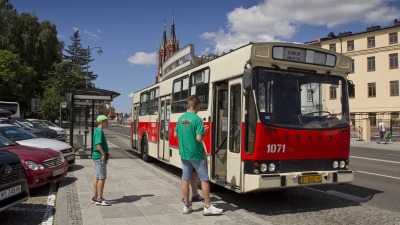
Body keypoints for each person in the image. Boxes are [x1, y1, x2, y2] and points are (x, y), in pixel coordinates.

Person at [174, 95, 223, 215]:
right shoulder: (197, 119)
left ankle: (187, 206)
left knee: (185, 178)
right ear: (196, 106)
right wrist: (204, 132)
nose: (199, 108)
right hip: (196, 154)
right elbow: (199, 138)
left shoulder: (181, 118)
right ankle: (207, 207)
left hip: (184, 153)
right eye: (199, 106)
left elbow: (175, 135)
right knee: (204, 179)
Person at [91, 115, 111, 206]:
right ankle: (99, 199)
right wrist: (103, 154)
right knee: (102, 178)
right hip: (100, 157)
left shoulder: (97, 131)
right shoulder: (99, 131)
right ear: (102, 122)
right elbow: (98, 144)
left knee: (97, 177)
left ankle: (94, 197)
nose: (107, 123)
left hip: (96, 156)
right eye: (106, 121)